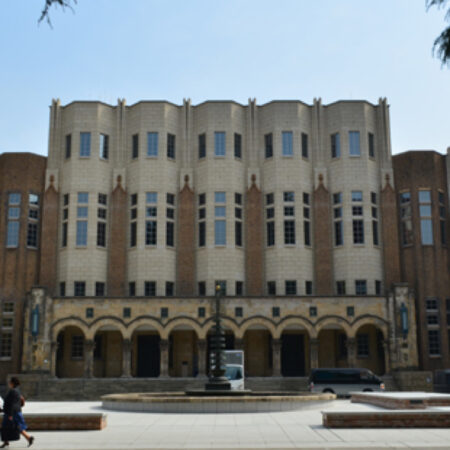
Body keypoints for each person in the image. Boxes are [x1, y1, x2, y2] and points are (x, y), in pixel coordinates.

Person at [1, 377, 34, 448]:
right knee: (16, 427)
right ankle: (28, 438)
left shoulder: (13, 391)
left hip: (12, 413)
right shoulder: (17, 391)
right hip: (15, 412)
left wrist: (10, 414)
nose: (9, 383)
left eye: (10, 382)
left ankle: (28, 438)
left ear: (12, 383)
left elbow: (12, 403)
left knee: (7, 427)